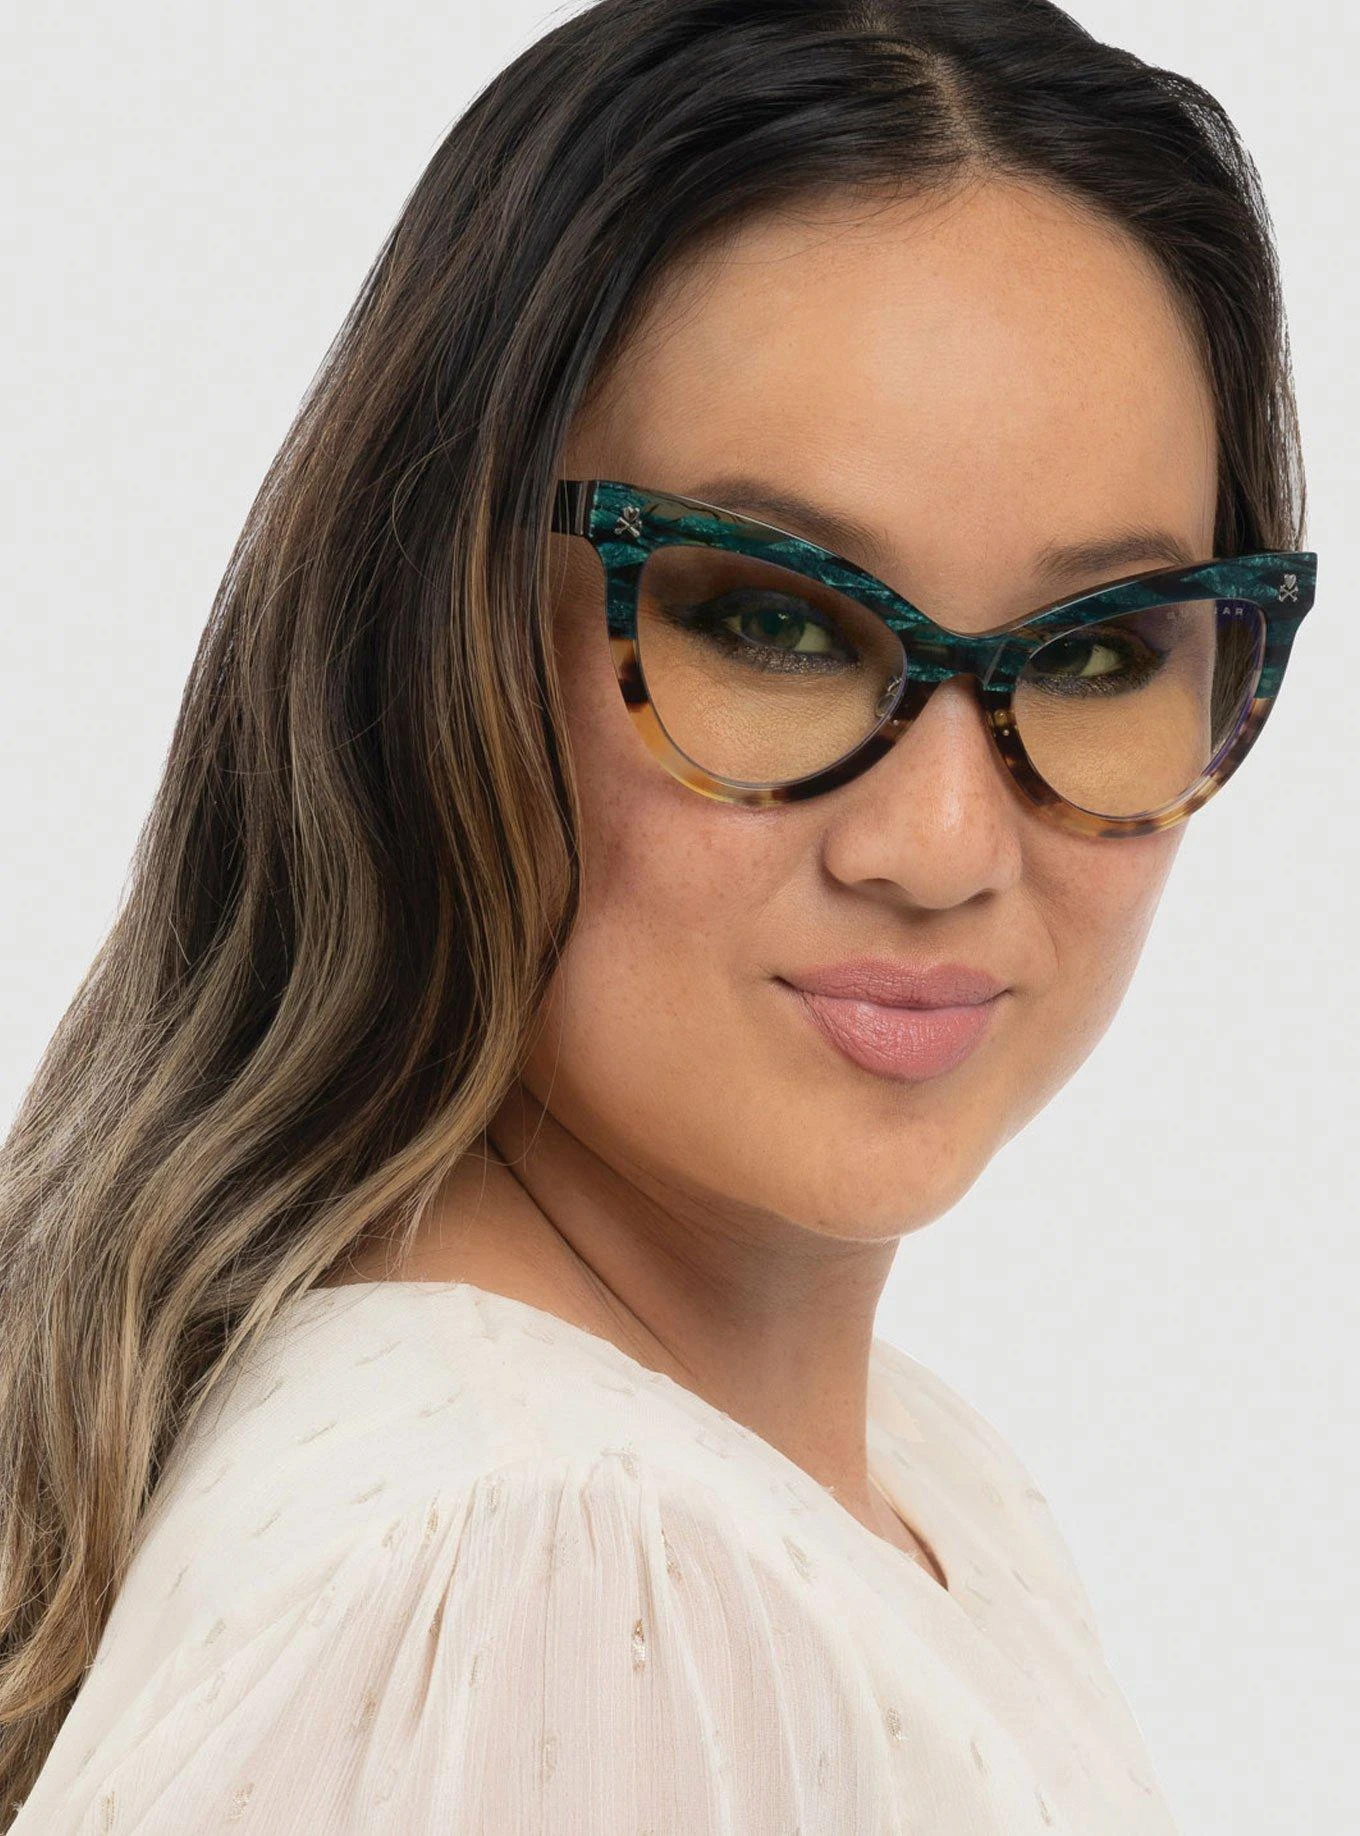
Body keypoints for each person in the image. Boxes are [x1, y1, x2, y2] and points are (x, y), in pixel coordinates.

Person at [0, 0, 1315, 1830]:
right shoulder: (547, 1565)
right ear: (446, 633)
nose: (942, 842)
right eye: (772, 621)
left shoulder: (901, 1491)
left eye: (1099, 649)